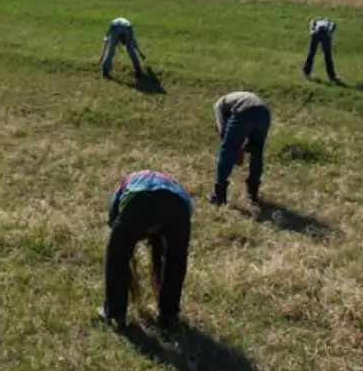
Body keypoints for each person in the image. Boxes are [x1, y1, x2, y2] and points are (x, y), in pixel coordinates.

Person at [99, 169, 193, 333]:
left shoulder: (126, 184)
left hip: (140, 202)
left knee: (117, 255)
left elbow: (114, 223)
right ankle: (168, 315)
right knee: (176, 260)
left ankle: (115, 313)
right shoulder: (175, 187)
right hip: (177, 207)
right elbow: (185, 216)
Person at [210, 91, 271, 207]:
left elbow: (223, 132)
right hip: (264, 112)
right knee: (257, 151)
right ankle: (253, 192)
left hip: (245, 109)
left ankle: (219, 194)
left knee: (227, 150)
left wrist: (236, 151)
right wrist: (241, 149)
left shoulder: (218, 106)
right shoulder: (232, 101)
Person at [303, 18, 338, 83]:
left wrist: (312, 30)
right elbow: (333, 26)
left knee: (311, 53)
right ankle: (332, 76)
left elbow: (312, 22)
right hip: (325, 32)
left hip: (316, 31)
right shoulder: (329, 23)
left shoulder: (317, 21)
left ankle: (306, 72)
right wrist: (329, 34)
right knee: (328, 56)